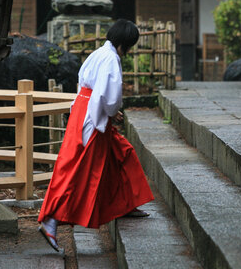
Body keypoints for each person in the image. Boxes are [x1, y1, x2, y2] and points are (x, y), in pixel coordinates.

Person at [38, 19, 154, 252]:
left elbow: (84, 83)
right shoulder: (111, 59)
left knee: (121, 153)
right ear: (124, 44)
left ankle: (126, 202)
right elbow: (108, 97)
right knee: (77, 171)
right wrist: (112, 112)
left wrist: (109, 112)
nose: (129, 52)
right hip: (94, 116)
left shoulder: (98, 53)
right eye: (129, 46)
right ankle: (51, 220)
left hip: (84, 109)